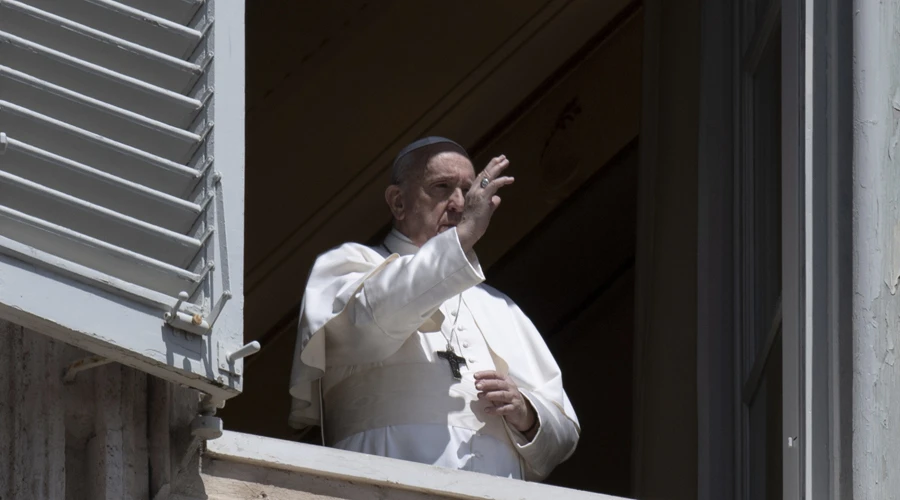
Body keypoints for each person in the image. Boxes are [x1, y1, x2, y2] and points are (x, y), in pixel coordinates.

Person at [289, 137, 580, 480]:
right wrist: (463, 238)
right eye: (442, 187)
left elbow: (564, 433)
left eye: (469, 191)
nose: (461, 204)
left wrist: (528, 415)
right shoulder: (349, 268)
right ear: (398, 202)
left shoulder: (500, 307)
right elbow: (370, 321)